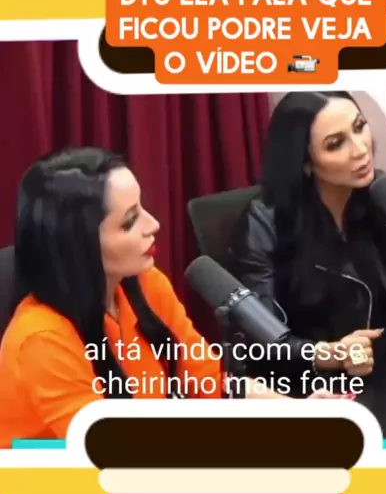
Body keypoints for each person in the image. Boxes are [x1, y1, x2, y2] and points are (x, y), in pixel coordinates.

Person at [0, 147, 316, 449]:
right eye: (129, 221)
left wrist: (300, 413)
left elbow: (209, 380)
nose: (153, 225)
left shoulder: (147, 284)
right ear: (77, 245)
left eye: (142, 208)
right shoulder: (42, 338)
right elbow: (109, 449)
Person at [230, 91, 386, 397]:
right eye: (336, 144)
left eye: (359, 127)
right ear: (305, 163)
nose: (361, 149)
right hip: (313, 392)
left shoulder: (381, 196)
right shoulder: (264, 223)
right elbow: (264, 340)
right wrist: (328, 355)